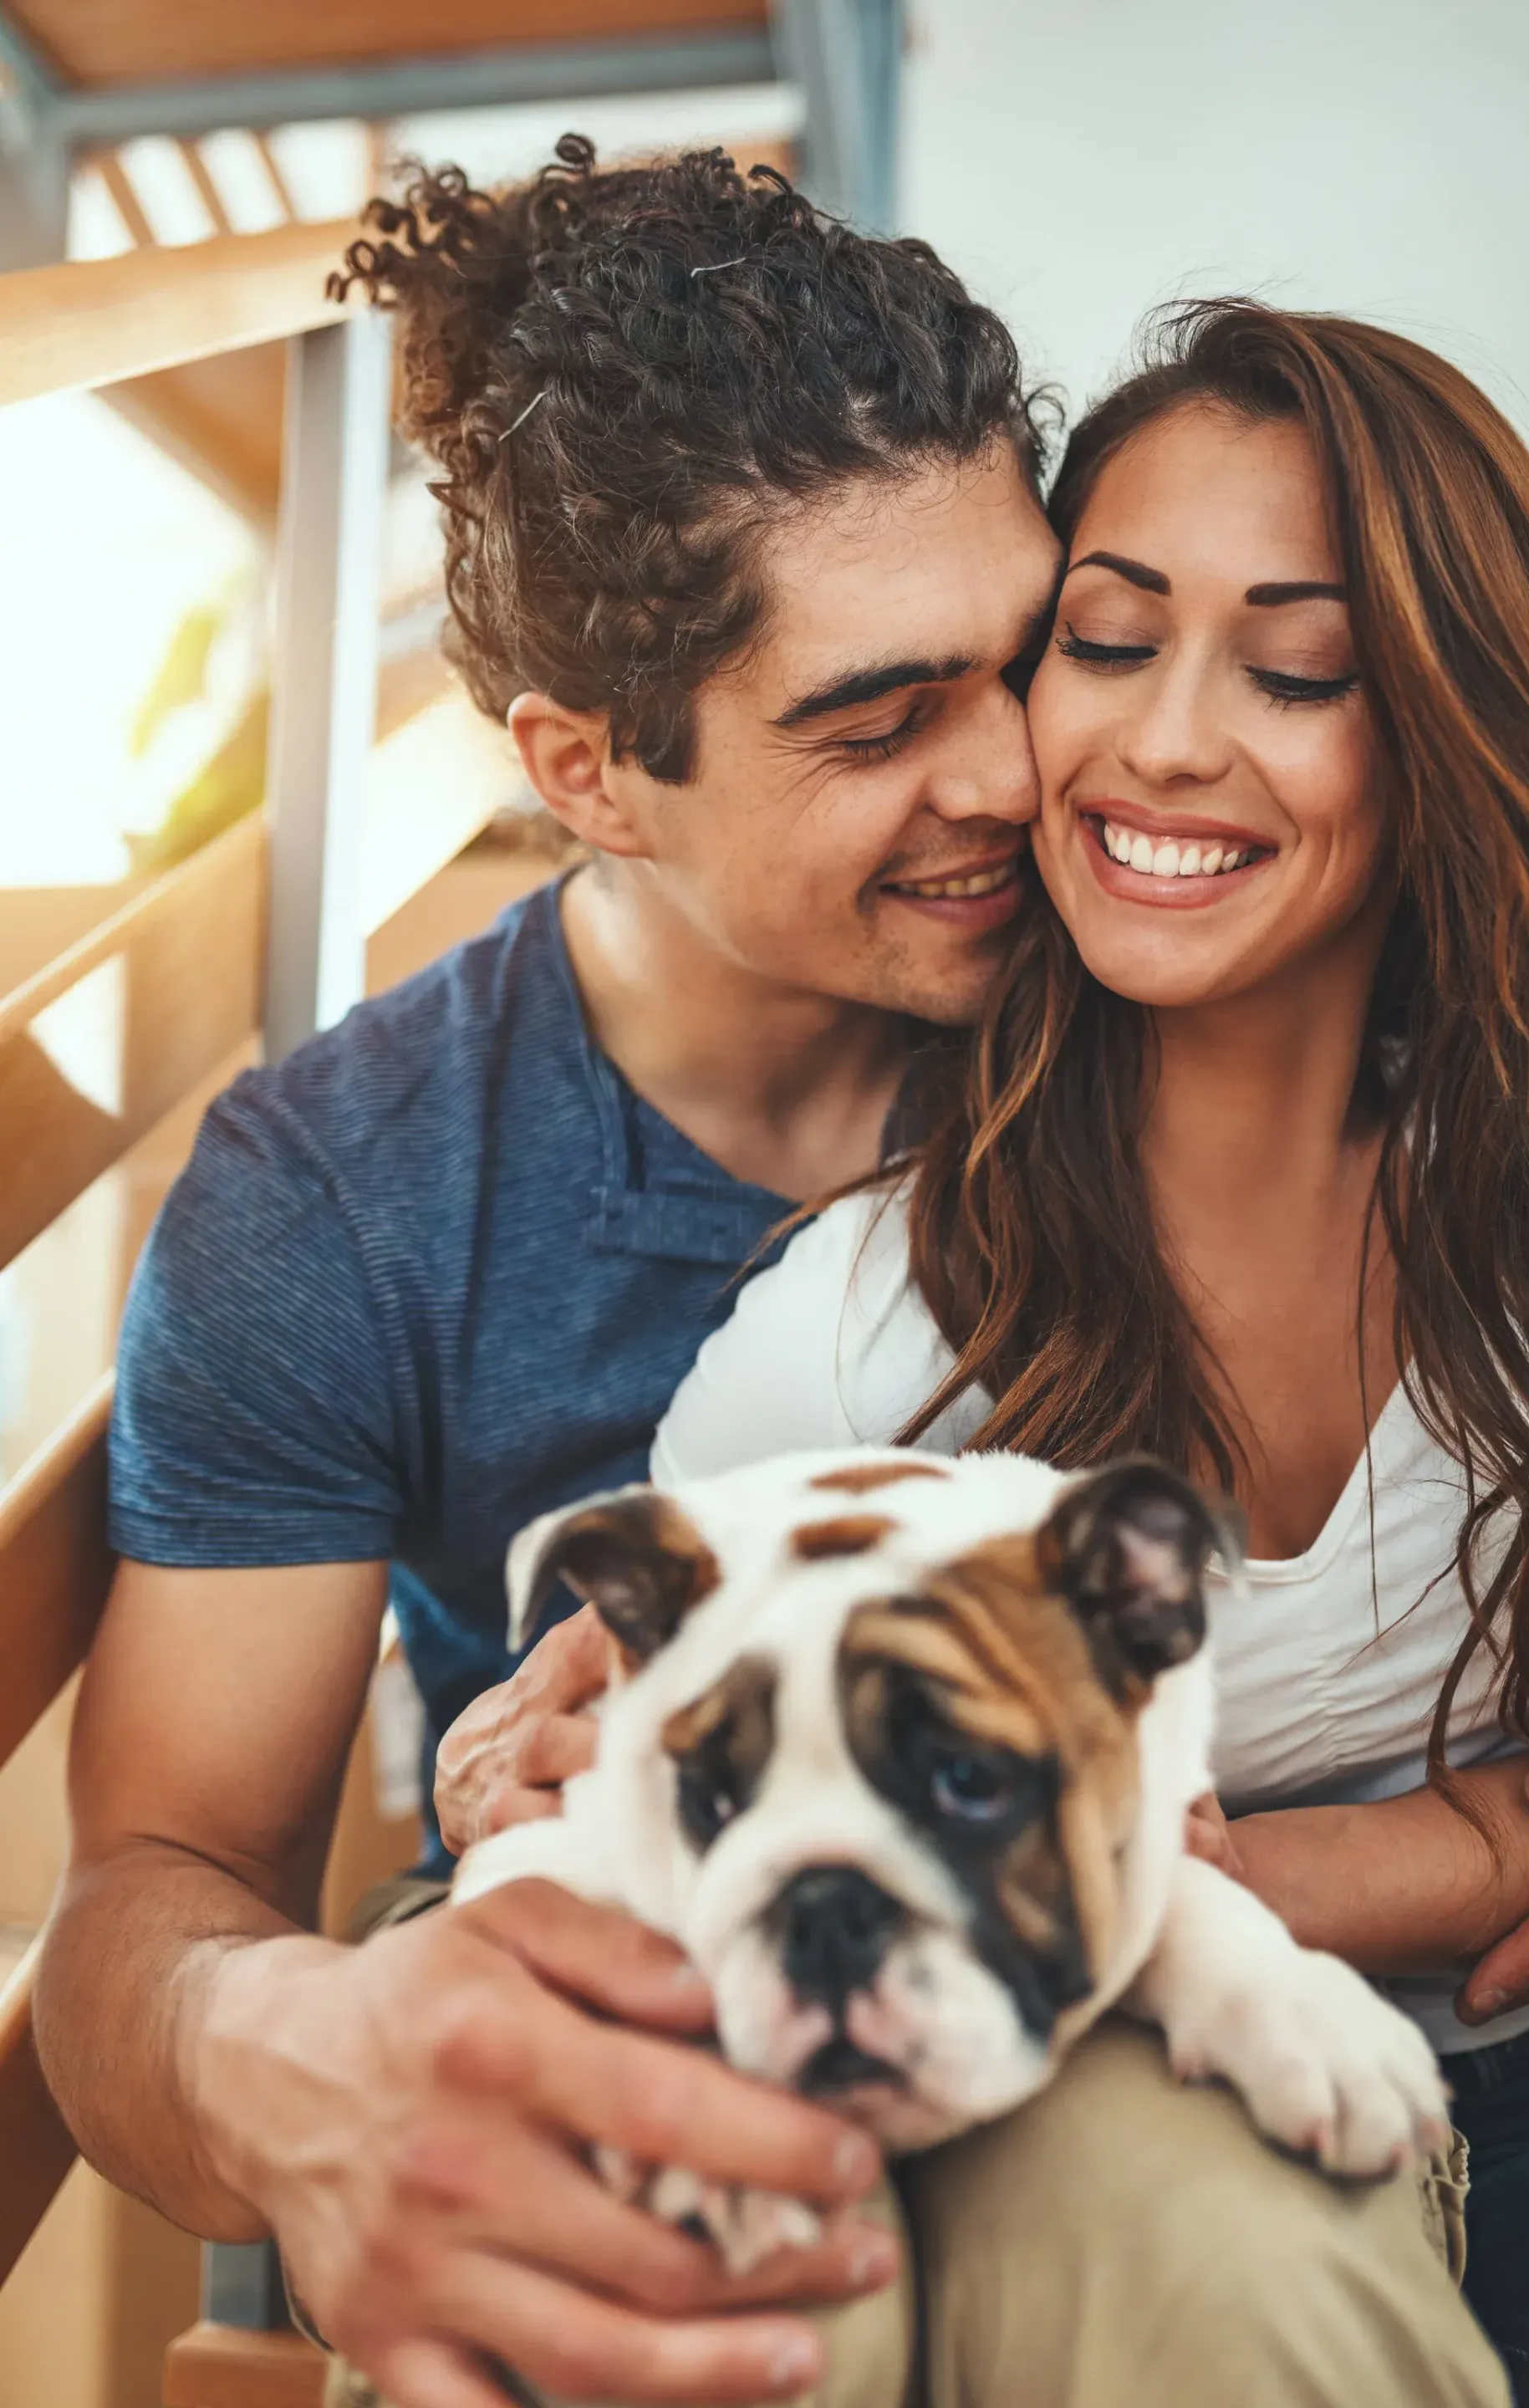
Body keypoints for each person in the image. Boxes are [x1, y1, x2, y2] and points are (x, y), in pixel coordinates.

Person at [34, 140, 1063, 2408]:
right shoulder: (345, 1195)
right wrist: (282, 2043)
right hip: (652, 2010)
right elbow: (161, 1882)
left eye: (1032, 653)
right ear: (589, 773)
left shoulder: (1186, 943)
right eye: (880, 722)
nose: (1019, 773)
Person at [635, 302, 1529, 2407]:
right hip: (1131, 2148)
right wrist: (1459, 1852)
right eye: (1108, 635)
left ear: (1436, 722)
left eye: (1301, 667)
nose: (1168, 741)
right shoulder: (862, 1343)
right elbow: (667, 1794)